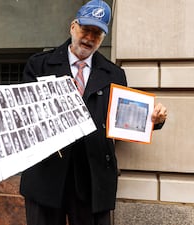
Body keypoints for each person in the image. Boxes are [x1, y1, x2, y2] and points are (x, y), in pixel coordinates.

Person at [19, 1, 168, 225]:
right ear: (73, 27)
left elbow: (124, 120)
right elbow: (23, 114)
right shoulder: (39, 65)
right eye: (85, 30)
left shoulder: (115, 74)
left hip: (92, 178)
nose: (89, 38)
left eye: (96, 34)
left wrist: (154, 120)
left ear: (103, 38)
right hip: (47, 175)